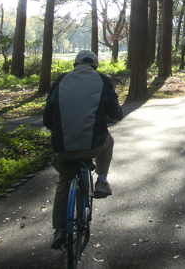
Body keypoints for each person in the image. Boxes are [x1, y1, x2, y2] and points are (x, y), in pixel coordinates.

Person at [43, 50, 123, 250]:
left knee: (64, 181)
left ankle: (59, 230)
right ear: (95, 65)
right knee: (109, 141)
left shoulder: (61, 80)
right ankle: (102, 181)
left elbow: (47, 119)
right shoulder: (102, 81)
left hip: (64, 149)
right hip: (94, 146)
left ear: (75, 64)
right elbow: (116, 113)